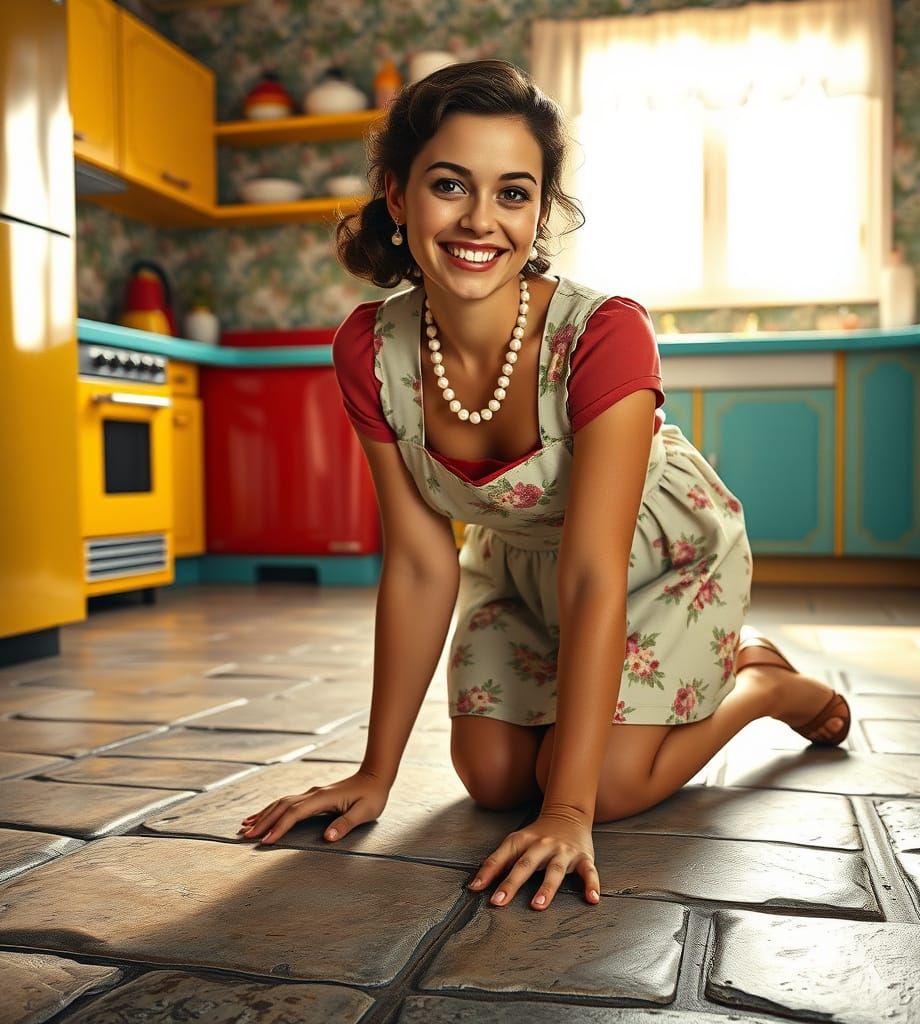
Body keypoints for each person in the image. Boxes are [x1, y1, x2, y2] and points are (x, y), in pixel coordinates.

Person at [237, 59, 851, 911]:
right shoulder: (368, 350)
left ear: (539, 211)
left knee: (605, 785)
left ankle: (761, 684)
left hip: (654, 562)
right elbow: (418, 560)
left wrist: (569, 812)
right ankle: (626, 719)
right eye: (450, 185)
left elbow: (596, 572)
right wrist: (375, 774)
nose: (479, 220)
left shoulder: (604, 333)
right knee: (494, 781)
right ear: (397, 195)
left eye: (513, 193)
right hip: (518, 563)